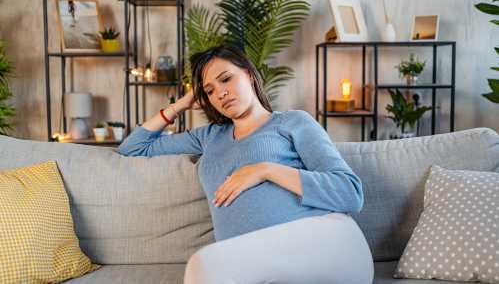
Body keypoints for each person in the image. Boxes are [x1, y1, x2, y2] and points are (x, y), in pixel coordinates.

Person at [117, 45, 374, 284]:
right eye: (209, 90)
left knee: (205, 266)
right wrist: (182, 103)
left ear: (250, 74)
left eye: (226, 79)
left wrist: (265, 169)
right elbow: (134, 148)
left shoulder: (293, 122)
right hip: (258, 263)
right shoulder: (209, 136)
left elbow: (350, 192)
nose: (220, 93)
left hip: (327, 243)